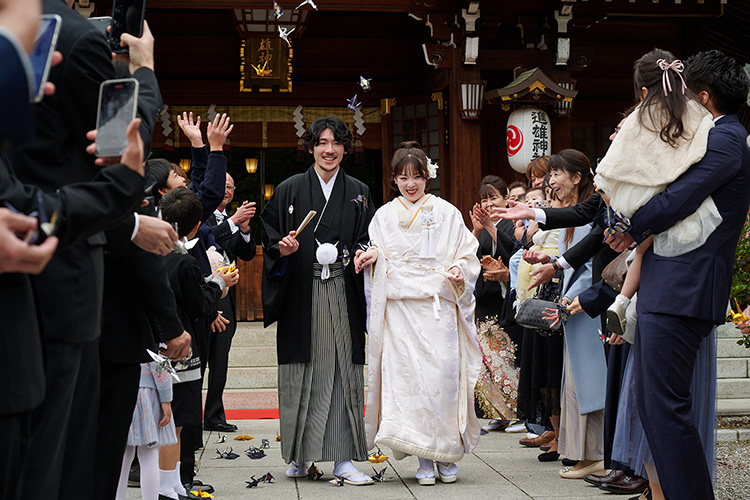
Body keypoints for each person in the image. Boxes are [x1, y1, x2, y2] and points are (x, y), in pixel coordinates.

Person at [604, 49, 750, 500]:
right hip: (672, 283)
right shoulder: (713, 135)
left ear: (703, 96)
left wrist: (631, 226)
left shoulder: (727, 138)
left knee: (664, 408)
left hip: (687, 285)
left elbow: (680, 197)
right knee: (657, 407)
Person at [355, 141, 481, 486]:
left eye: (417, 176)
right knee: (409, 385)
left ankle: (447, 452)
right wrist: (372, 257)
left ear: (427, 177)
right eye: (403, 177)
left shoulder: (447, 213)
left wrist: (457, 269)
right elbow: (379, 250)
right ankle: (425, 457)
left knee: (442, 380)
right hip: (400, 313)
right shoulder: (383, 216)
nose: (411, 184)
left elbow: (468, 253)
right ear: (394, 179)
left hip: (437, 309)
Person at [261, 116, 375, 484]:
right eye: (322, 143)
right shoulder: (290, 188)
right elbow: (270, 235)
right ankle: (300, 456)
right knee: (300, 372)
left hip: (341, 291)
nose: (329, 150)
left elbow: (368, 238)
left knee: (343, 369)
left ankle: (343, 458)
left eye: (337, 143)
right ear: (310, 147)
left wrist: (362, 253)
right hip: (301, 293)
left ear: (345, 148)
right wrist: (281, 248)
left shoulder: (358, 190)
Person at [594, 49, 716, 337]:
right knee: (643, 251)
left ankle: (624, 300)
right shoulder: (697, 113)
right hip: (684, 208)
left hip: (639, 202)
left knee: (640, 249)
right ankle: (626, 302)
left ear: (644, 90)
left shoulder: (639, 117)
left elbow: (609, 172)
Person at [529, 150, 606, 478]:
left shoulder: (590, 210)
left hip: (586, 303)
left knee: (589, 380)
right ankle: (580, 453)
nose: (552, 180)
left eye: (558, 173)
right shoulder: (571, 212)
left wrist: (573, 296)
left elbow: (593, 260)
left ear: (577, 178)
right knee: (573, 380)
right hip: (572, 303)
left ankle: (596, 453)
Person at [158, 187, 231, 499]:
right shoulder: (183, 262)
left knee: (174, 422)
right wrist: (219, 283)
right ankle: (167, 487)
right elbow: (199, 305)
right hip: (182, 351)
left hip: (159, 350)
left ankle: (174, 483)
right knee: (176, 422)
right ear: (197, 226)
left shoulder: (155, 257)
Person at [114, 361, 177, 500]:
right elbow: (159, 364)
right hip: (146, 392)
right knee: (149, 454)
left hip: (118, 388)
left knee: (122, 456)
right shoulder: (151, 338)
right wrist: (166, 399)